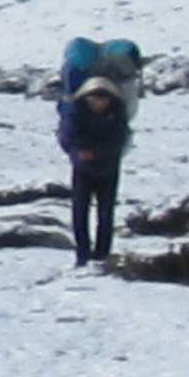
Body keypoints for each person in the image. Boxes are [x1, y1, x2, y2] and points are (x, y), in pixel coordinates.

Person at [59, 70, 131, 262]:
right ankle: (82, 254)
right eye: (94, 98)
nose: (99, 102)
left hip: (108, 167)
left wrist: (95, 153)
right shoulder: (76, 112)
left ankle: (102, 255)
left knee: (106, 214)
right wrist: (79, 154)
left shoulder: (117, 113)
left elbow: (119, 140)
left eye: (103, 98)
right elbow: (67, 138)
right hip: (82, 168)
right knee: (79, 213)